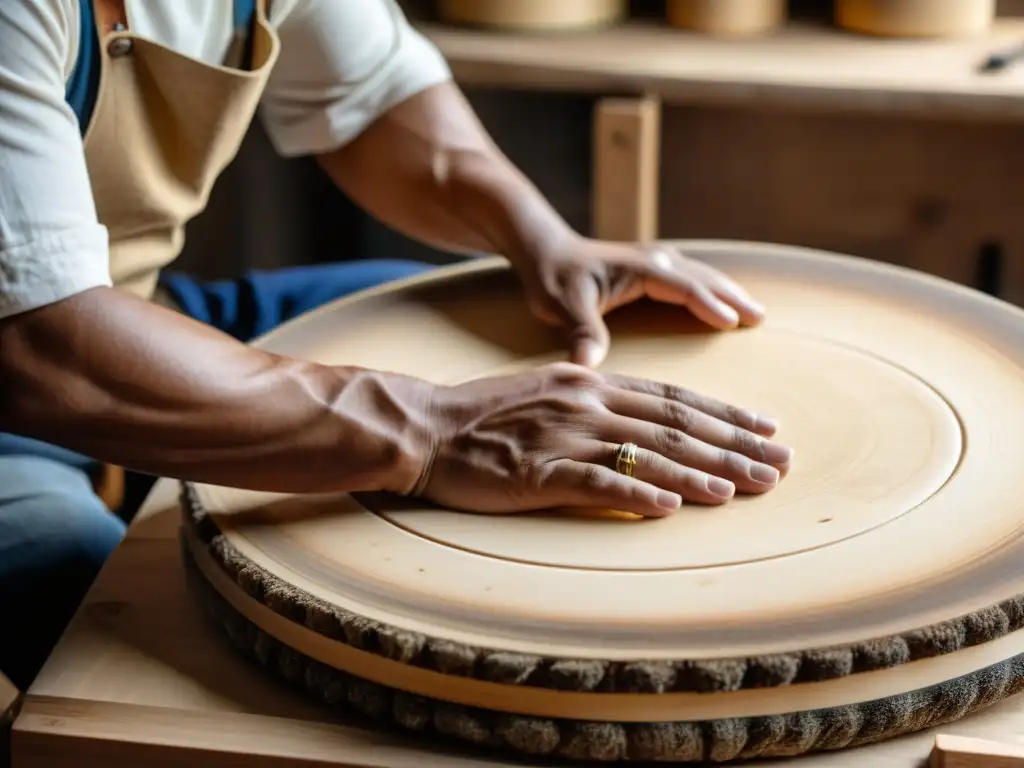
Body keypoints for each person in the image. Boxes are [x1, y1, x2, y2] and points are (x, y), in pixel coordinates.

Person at [0, 0, 793, 690]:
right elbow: (46, 348)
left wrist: (545, 241)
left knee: (454, 321)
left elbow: (378, 101)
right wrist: (436, 431)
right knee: (113, 617)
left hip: (141, 307)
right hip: (30, 383)